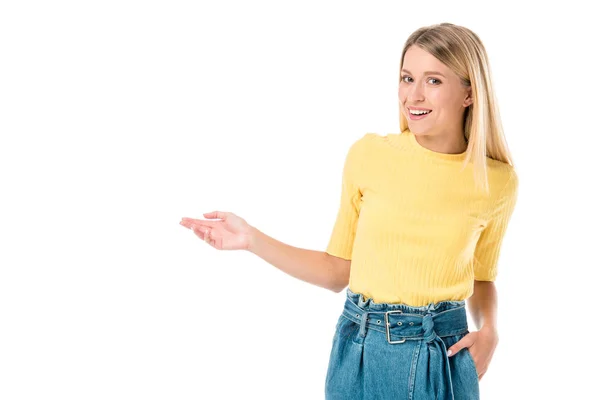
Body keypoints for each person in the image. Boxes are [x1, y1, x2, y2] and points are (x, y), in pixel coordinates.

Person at [180, 22, 518, 400]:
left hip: (434, 355)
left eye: (434, 81)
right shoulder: (369, 155)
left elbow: (483, 277)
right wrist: (251, 240)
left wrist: (489, 329)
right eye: (407, 78)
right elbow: (336, 271)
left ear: (469, 92)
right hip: (353, 348)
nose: (414, 96)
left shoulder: (496, 182)